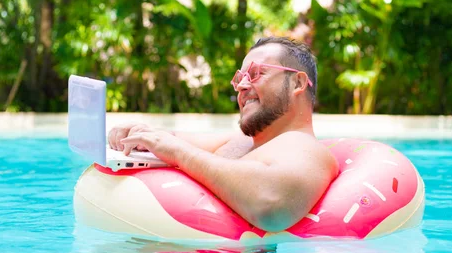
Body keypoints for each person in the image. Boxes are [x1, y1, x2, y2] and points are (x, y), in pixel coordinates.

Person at [108, 37, 339, 232]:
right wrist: (137, 132)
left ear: (297, 82)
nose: (241, 86)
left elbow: (271, 205)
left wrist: (176, 152)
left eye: (256, 73)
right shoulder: (241, 142)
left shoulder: (307, 149)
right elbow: (171, 138)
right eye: (240, 78)